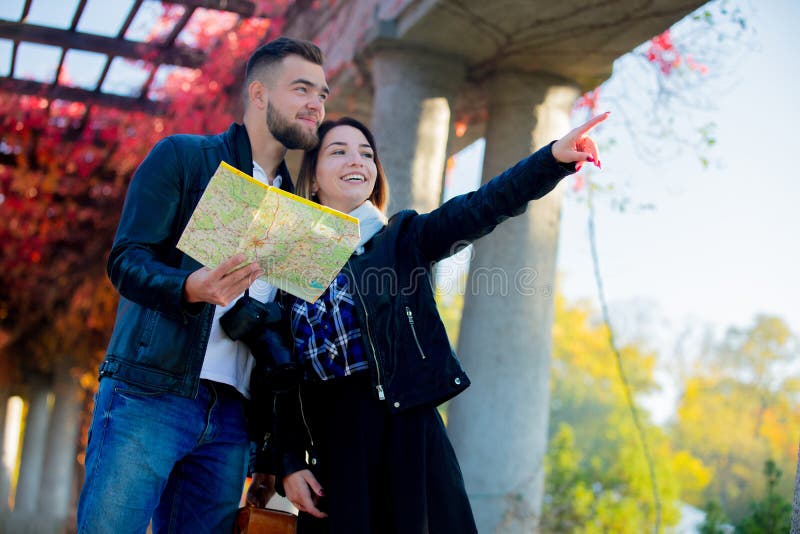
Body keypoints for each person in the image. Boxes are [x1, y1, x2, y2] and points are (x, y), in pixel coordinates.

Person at [248, 112, 609, 533]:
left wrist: (552, 160)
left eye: (366, 154)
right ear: (312, 178)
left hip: (408, 435)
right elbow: (280, 373)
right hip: (336, 447)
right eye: (338, 151)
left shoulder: (402, 240)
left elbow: (482, 206)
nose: (356, 161)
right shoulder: (288, 256)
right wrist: (288, 462)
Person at [76, 37, 329, 534]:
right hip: (150, 391)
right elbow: (126, 261)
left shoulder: (302, 207)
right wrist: (191, 286)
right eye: (302, 89)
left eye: (322, 94)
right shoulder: (185, 158)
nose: (316, 105)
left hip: (234, 417)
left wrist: (269, 449)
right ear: (258, 94)